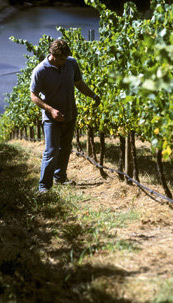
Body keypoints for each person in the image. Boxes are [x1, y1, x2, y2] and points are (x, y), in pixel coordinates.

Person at [30, 39, 101, 193]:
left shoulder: (71, 63)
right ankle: (44, 186)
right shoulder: (40, 71)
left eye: (66, 57)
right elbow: (34, 96)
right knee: (52, 150)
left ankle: (60, 178)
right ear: (52, 55)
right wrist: (51, 110)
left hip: (70, 114)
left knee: (65, 148)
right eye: (61, 58)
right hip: (51, 118)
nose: (64, 61)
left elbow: (79, 84)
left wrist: (93, 95)